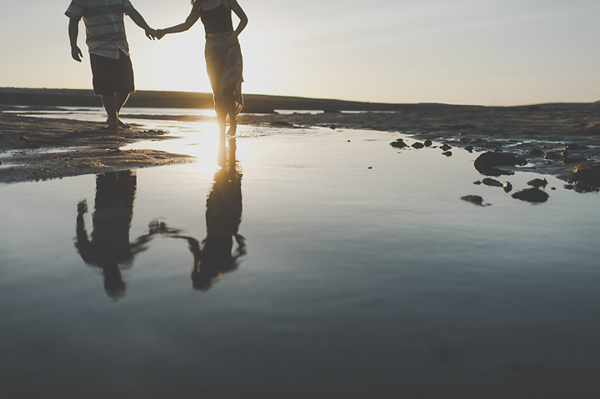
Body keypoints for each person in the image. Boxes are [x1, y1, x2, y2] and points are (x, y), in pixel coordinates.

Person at [155, 0, 248, 137]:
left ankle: (232, 123)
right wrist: (164, 31)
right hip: (211, 50)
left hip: (230, 46)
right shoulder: (199, 5)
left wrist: (234, 35)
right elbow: (186, 25)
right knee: (217, 93)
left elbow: (244, 19)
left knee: (227, 88)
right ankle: (221, 130)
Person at [66, 0, 156, 130]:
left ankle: (114, 116)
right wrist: (73, 46)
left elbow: (133, 12)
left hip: (121, 47)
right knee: (106, 88)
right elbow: (73, 21)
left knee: (127, 87)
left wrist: (146, 28)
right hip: (99, 48)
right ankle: (113, 123)